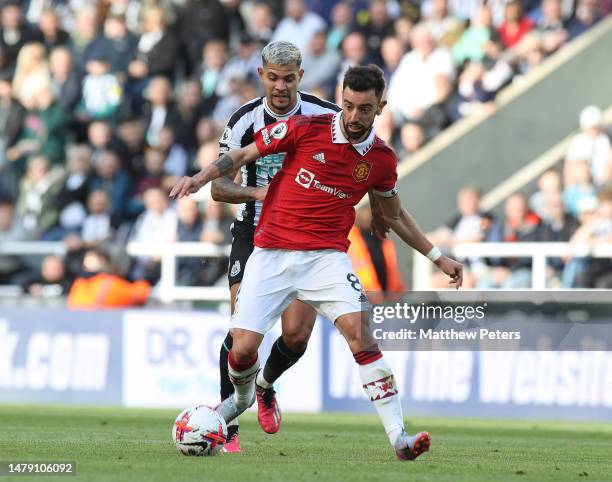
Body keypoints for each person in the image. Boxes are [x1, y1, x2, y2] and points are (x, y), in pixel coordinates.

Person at [171, 64, 463, 461]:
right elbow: (241, 154)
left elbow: (394, 214)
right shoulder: (308, 128)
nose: (354, 117)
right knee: (241, 352)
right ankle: (235, 405)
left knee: (360, 336)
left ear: (381, 107)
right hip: (270, 254)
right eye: (348, 106)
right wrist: (199, 178)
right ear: (341, 100)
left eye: (364, 108)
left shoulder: (380, 159)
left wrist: (437, 256)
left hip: (326, 259)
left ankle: (400, 438)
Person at [209, 40, 346, 453]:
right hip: (254, 235)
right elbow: (218, 186)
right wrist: (258, 194)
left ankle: (265, 386)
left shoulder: (327, 117)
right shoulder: (242, 121)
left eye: (289, 79)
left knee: (297, 336)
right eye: (273, 78)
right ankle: (227, 425)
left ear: (300, 77)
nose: (281, 87)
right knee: (241, 333)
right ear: (261, 76)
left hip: (308, 238)